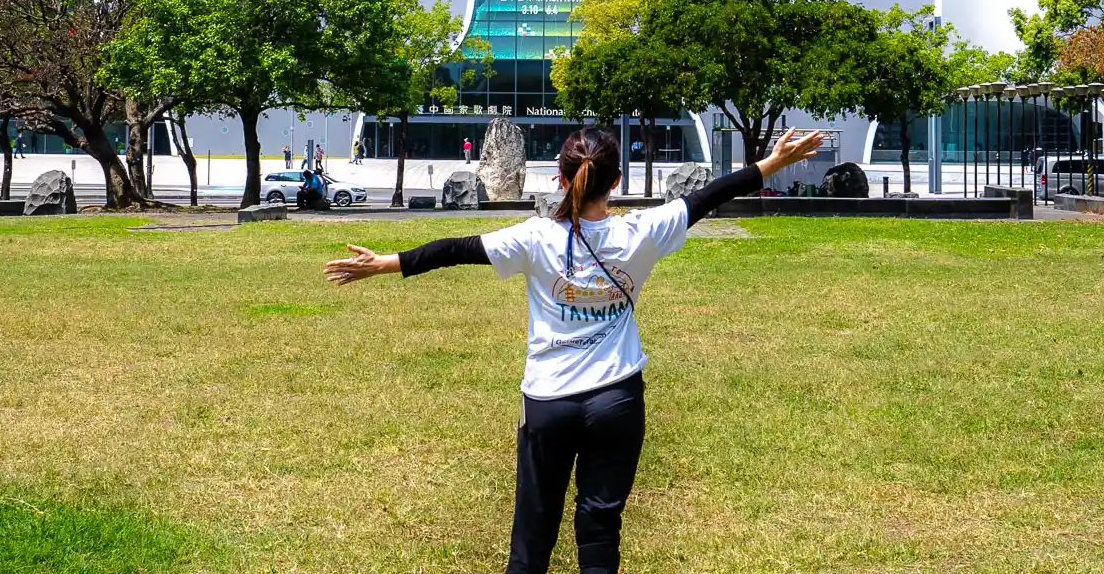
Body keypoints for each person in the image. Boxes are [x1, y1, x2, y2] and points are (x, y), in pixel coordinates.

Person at [326, 125, 826, 574]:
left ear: (561, 180)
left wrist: (385, 263)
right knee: (600, 534)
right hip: (618, 400)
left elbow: (455, 249)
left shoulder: (536, 238)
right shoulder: (643, 232)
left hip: (549, 404)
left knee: (531, 541)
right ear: (615, 181)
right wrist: (774, 163)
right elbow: (712, 195)